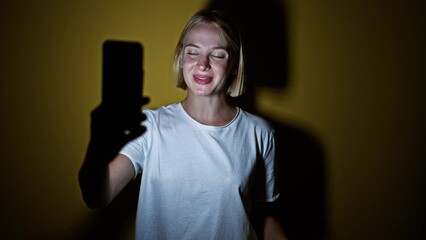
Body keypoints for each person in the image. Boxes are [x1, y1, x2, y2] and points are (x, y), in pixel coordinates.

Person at [79, 9, 286, 240]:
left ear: (235, 64)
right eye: (193, 52)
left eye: (217, 54)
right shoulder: (149, 126)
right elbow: (96, 196)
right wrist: (97, 144)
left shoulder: (260, 132)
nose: (203, 64)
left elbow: (263, 215)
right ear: (180, 57)